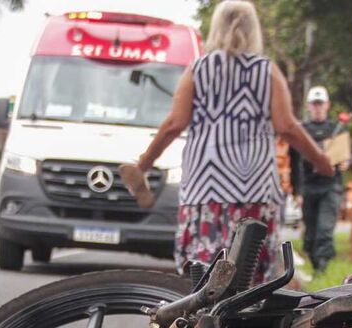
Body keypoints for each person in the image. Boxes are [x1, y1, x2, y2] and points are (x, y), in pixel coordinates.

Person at [119, 0, 333, 285]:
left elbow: (174, 124)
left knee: (204, 278)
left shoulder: (198, 70)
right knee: (250, 278)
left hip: (205, 191)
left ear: (216, 28)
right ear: (254, 30)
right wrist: (321, 160)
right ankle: (248, 327)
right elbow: (287, 126)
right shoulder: (266, 71)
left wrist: (144, 164)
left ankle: (204, 326)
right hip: (254, 190)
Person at [288, 86, 350, 275]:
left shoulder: (336, 130)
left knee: (325, 229)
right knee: (311, 233)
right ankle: (315, 264)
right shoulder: (301, 131)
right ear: (309, 106)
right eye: (314, 104)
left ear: (327, 105)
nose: (317, 108)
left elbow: (346, 155)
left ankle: (322, 268)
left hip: (330, 186)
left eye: (320, 104)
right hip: (308, 187)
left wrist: (345, 161)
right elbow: (294, 163)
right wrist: (297, 191)